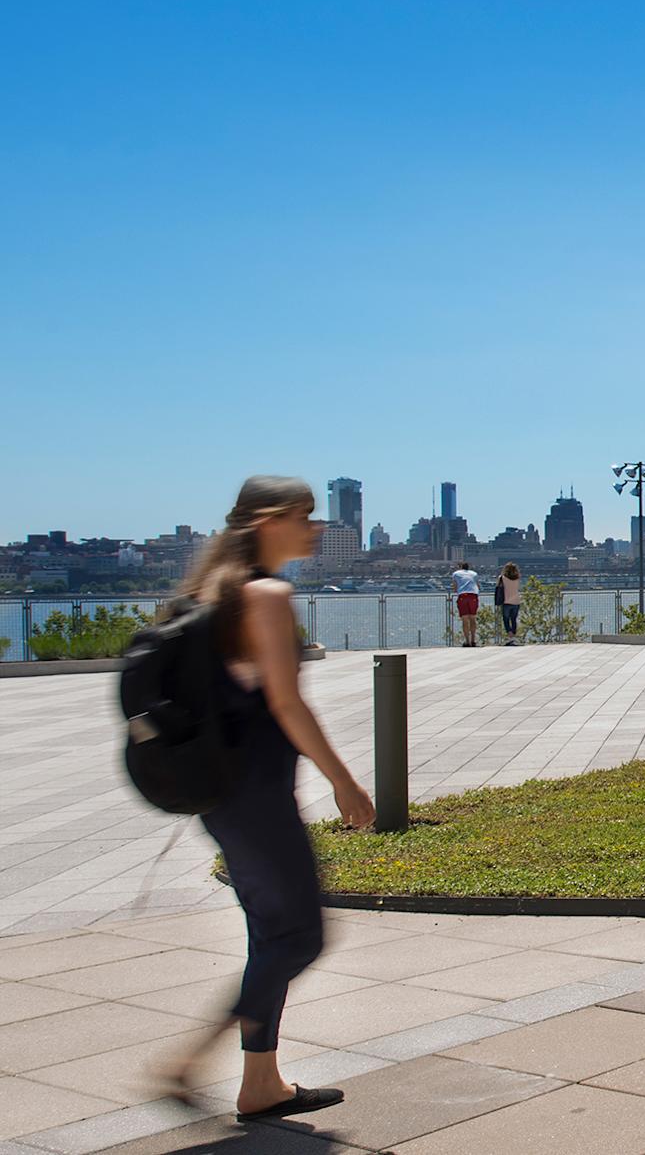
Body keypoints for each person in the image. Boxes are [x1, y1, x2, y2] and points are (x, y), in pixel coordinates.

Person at [158, 477, 375, 1121]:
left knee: (269, 934)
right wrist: (344, 779)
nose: (315, 529)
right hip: (256, 794)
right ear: (270, 520)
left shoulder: (203, 596)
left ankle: (262, 1083)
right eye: (307, 517)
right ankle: (189, 1061)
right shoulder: (266, 595)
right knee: (301, 935)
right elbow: (285, 702)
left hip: (218, 793)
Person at [451, 560, 481, 648]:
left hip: (463, 595)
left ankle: (467, 641)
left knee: (465, 619)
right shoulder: (474, 574)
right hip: (473, 595)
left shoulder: (456, 573)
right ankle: (473, 640)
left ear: (460, 567)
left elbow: (455, 587)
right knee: (473, 618)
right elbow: (478, 586)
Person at [496, 562, 524, 647]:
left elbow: (498, 587)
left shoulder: (502, 578)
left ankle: (510, 637)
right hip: (516, 601)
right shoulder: (517, 578)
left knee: (506, 620)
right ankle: (513, 638)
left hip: (506, 602)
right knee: (514, 619)